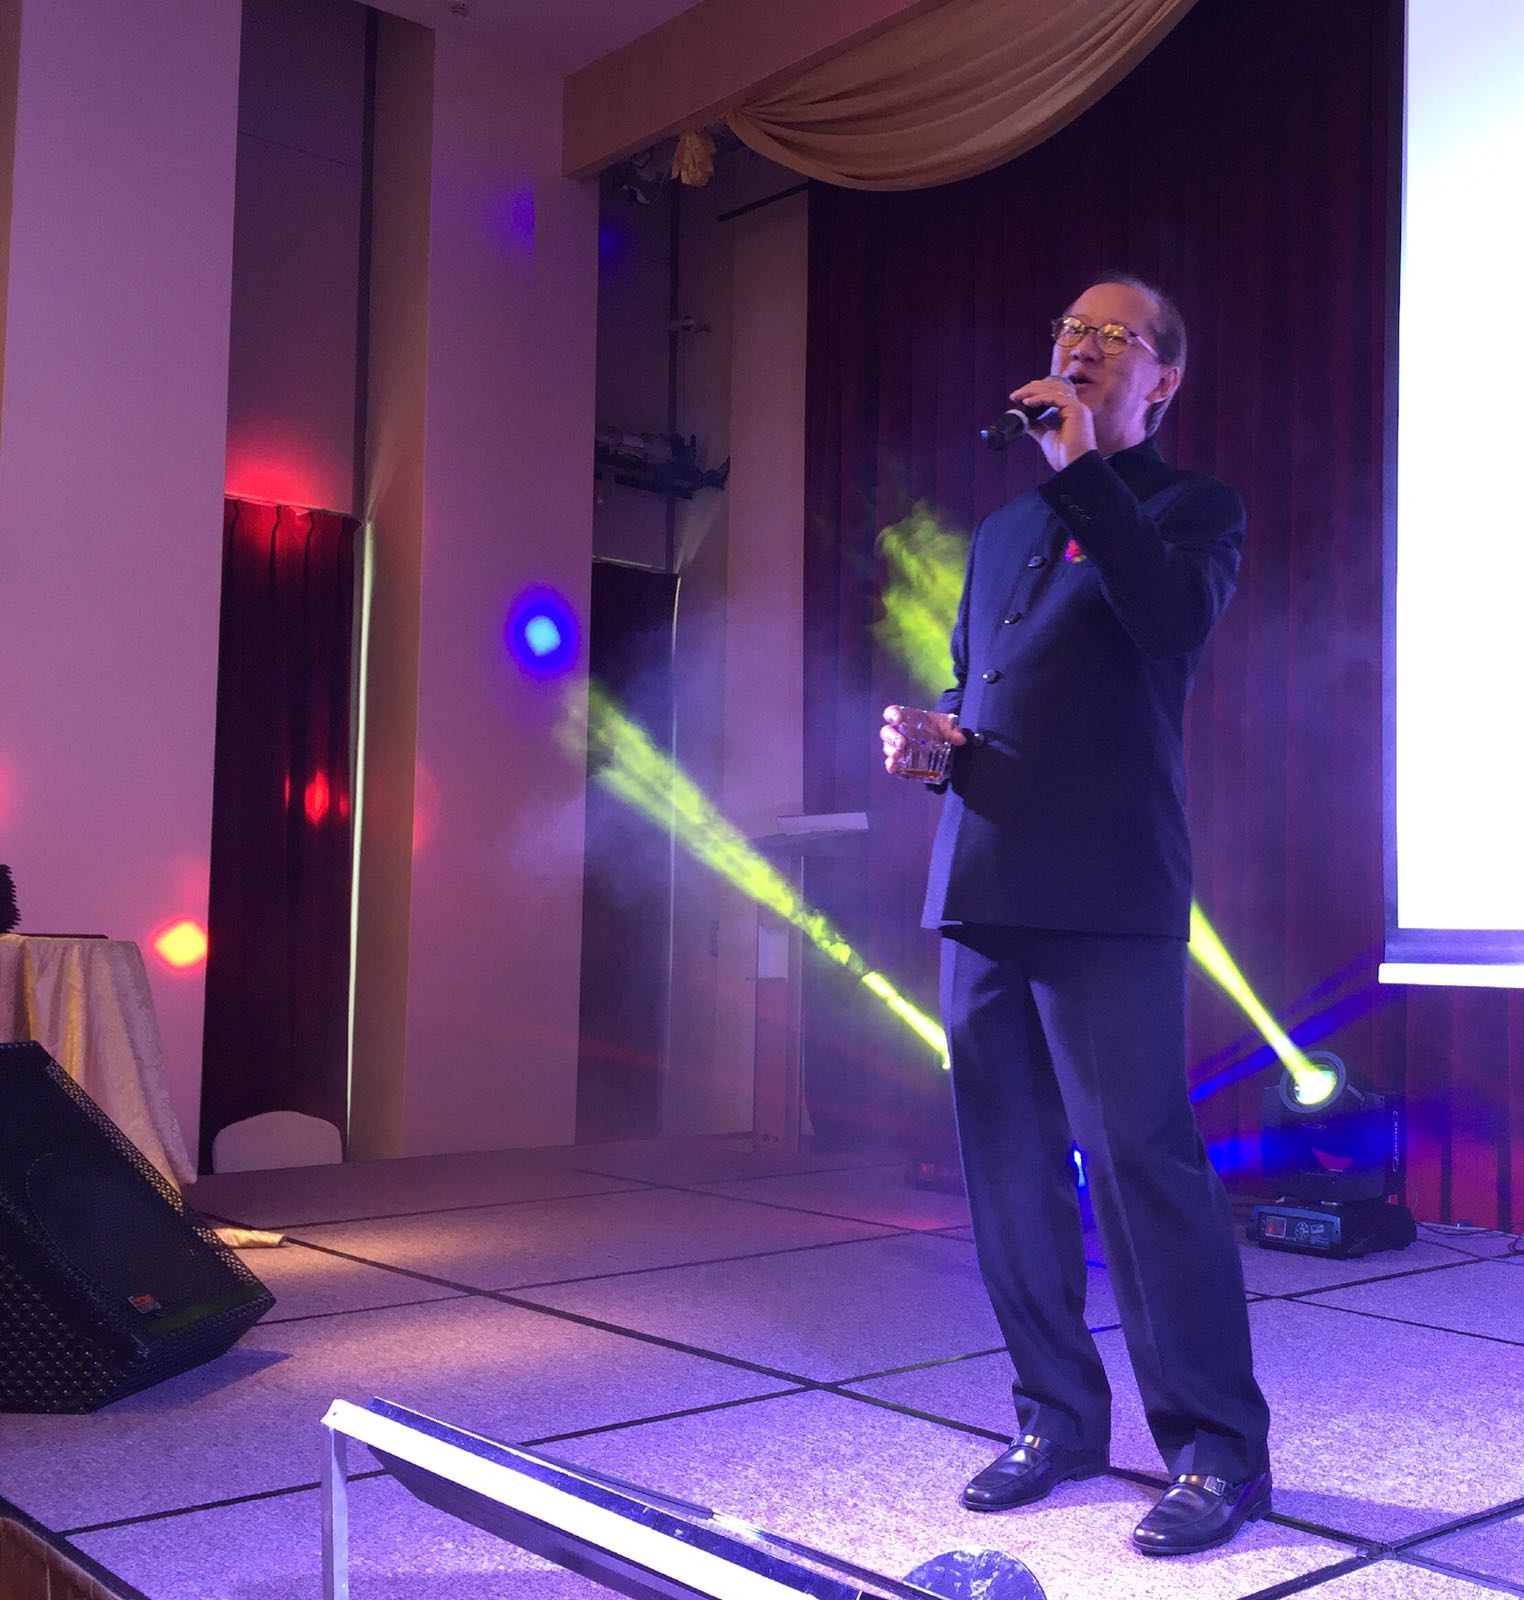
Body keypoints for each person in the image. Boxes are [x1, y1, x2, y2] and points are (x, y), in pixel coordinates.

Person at [881, 276, 1271, 1557]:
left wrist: (1084, 467)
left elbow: (1166, 619)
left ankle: (1216, 1449)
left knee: (1142, 1165)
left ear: (1164, 381)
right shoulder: (1005, 529)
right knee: (1008, 1172)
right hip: (984, 876)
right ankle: (1056, 1419)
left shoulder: (1189, 508)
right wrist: (940, 737)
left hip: (1109, 889)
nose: (1082, 344)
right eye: (1068, 328)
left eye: (1115, 335)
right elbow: (987, 683)